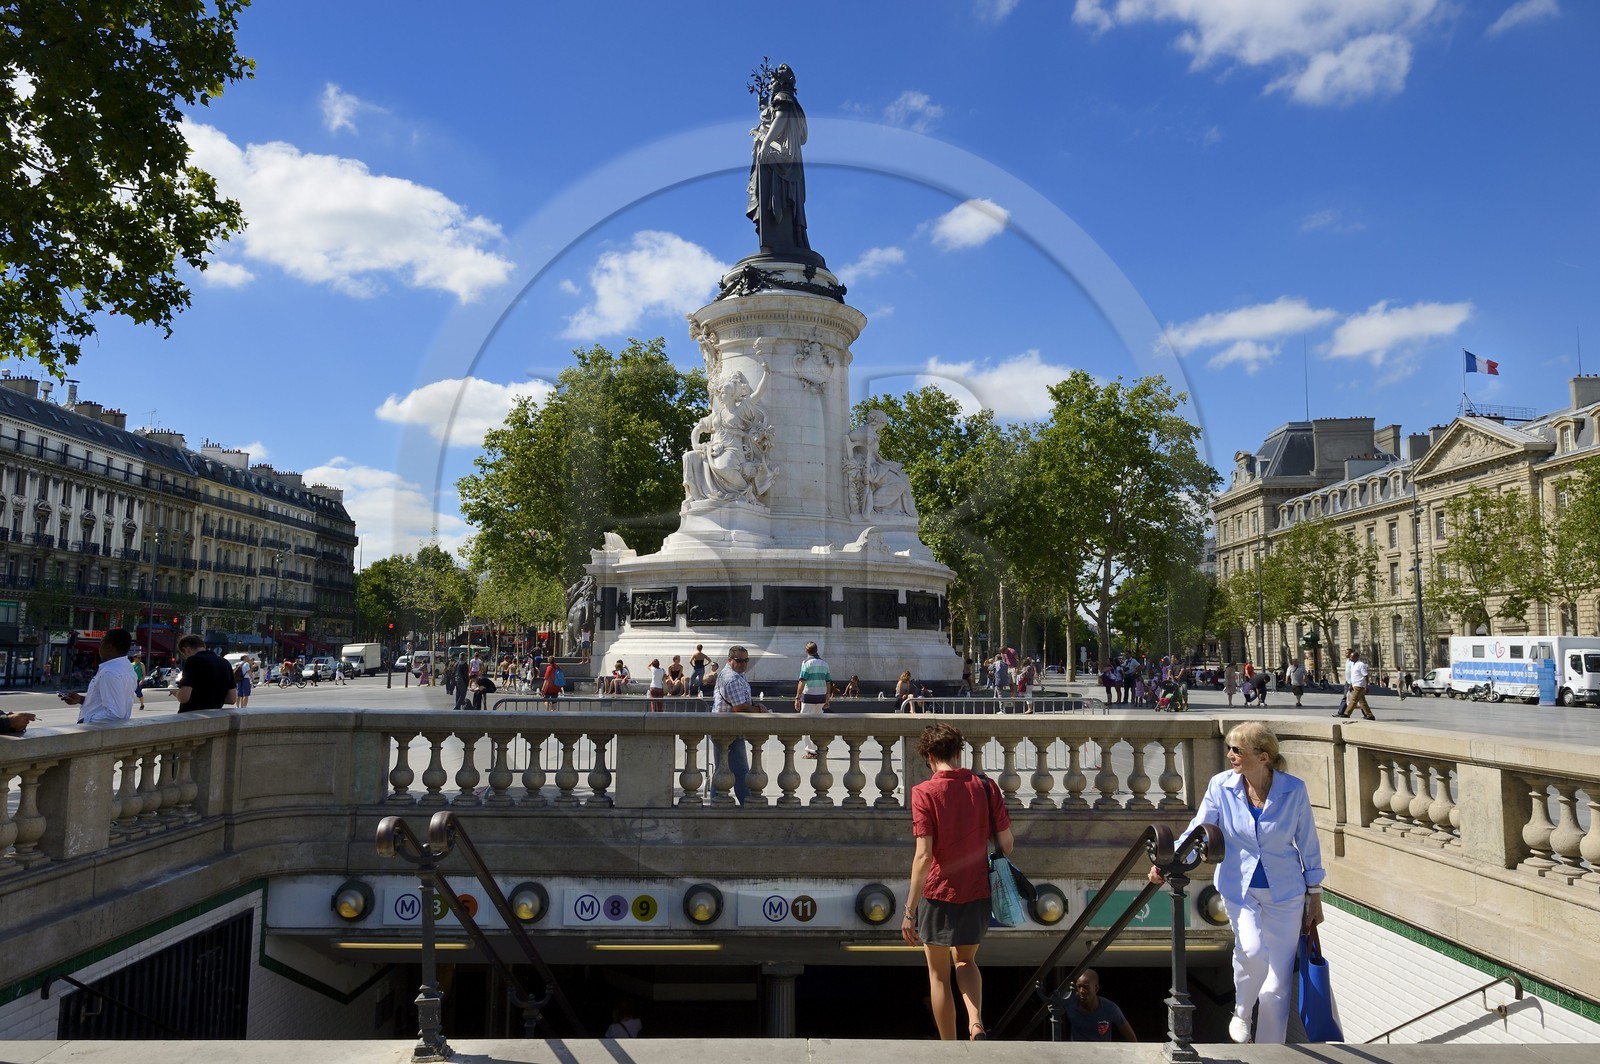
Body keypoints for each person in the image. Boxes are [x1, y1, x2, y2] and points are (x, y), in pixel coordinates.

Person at [1149, 722, 1325, 1044]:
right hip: (1238, 889)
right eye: (1229, 748)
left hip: (1286, 892)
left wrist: (1315, 895)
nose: (1230, 755)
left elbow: (1308, 844)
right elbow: (1198, 828)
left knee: (1278, 983)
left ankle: (1268, 1053)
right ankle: (1242, 1011)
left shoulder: (1293, 790)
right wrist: (1168, 859)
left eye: (1237, 750)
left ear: (1263, 756)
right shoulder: (1221, 786)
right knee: (1253, 950)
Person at [901, 721, 1013, 1041]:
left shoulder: (924, 792)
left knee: (938, 976)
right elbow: (1006, 844)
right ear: (958, 751)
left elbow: (923, 856)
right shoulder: (987, 786)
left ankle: (949, 1048)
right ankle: (975, 1023)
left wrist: (910, 910)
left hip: (938, 894)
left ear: (930, 756)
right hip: (977, 890)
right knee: (966, 961)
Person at [711, 645, 766, 804]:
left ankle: (717, 802)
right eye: (739, 660)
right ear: (729, 660)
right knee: (741, 771)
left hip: (724, 728)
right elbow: (739, 707)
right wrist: (758, 709)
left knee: (722, 769)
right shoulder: (732, 678)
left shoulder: (733, 673)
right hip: (729, 731)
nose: (744, 663)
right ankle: (747, 804)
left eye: (746, 660)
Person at [62, 628, 138, 724]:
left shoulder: (109, 672)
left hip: (98, 732)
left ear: (109, 646)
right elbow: (111, 702)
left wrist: (85, 721)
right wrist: (81, 700)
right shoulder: (127, 668)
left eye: (101, 643)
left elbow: (116, 714)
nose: (99, 647)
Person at [1062, 969, 1137, 1042]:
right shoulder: (1068, 1000)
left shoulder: (1110, 1009)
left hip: (1102, 1052)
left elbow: (1132, 1039)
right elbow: (1052, 1005)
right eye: (1079, 986)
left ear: (1096, 988)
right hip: (1076, 1051)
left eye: (1086, 987)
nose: (1081, 991)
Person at [174, 634, 237, 712]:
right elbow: (232, 699)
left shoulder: (193, 661)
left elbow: (184, 698)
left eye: (184, 655)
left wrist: (176, 693)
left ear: (186, 649)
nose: (186, 657)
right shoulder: (225, 662)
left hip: (191, 715)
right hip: (215, 715)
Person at [795, 641, 831, 758]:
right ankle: (819, 747)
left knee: (806, 724)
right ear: (816, 650)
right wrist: (827, 697)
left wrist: (797, 697)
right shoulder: (824, 664)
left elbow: (802, 681)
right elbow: (828, 682)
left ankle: (811, 751)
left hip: (809, 696)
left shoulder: (806, 663)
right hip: (820, 697)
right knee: (818, 724)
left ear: (806, 651)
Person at [1338, 648, 1375, 720]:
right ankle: (1370, 715)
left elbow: (1365, 676)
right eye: (1350, 657)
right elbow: (1353, 676)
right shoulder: (1352, 664)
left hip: (1360, 685)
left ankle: (1347, 713)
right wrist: (1351, 685)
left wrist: (1366, 686)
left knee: (1353, 700)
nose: (1350, 658)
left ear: (1356, 657)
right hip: (1354, 685)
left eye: (1352, 657)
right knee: (1362, 702)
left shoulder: (1361, 665)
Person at [130, 647, 146, 711]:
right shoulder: (131, 664)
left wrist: (142, 680)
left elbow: (144, 673)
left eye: (140, 658)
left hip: (138, 680)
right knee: (129, 693)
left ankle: (142, 705)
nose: (139, 659)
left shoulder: (141, 664)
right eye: (138, 657)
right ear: (134, 658)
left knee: (138, 692)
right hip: (131, 681)